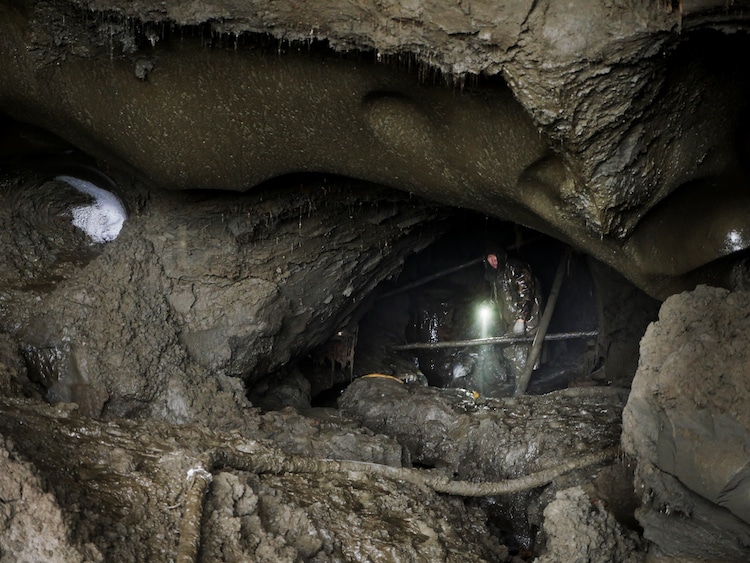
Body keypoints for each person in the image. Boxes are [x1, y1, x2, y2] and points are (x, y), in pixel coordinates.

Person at [484, 247, 542, 383]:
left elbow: (526, 293)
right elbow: (499, 297)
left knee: (520, 351)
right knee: (511, 350)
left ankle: (520, 388)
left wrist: (521, 319)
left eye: (494, 258)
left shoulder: (515, 268)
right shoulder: (496, 275)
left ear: (500, 255)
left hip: (527, 317)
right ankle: (519, 383)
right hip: (510, 319)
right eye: (489, 259)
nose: (492, 262)